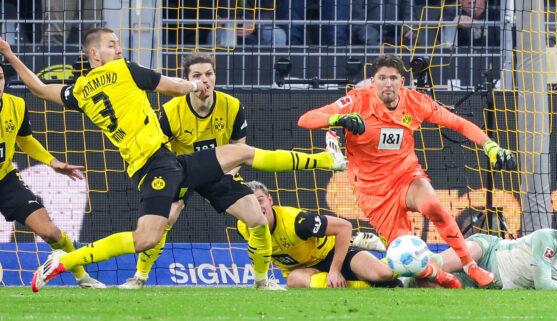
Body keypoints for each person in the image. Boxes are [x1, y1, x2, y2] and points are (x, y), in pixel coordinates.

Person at [0, 27, 346, 292]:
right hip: (155, 166)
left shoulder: (78, 89)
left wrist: (13, 57)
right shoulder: (122, 69)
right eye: (111, 44)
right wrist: (195, 87)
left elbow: (40, 90)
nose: (118, 49)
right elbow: (175, 87)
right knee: (145, 238)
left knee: (243, 159)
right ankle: (67, 261)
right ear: (94, 53)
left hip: (166, 162)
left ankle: (326, 161)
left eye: (118, 45)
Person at [298, 54, 516, 289]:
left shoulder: (416, 102)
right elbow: (306, 119)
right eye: (382, 78)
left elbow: (458, 123)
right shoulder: (356, 101)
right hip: (373, 193)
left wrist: (488, 145)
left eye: (393, 78)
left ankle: (470, 266)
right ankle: (438, 274)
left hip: (405, 176)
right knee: (407, 260)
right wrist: (338, 118)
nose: (387, 83)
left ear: (402, 82)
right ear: (373, 81)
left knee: (433, 206)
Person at [118, 52, 302, 290]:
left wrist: (229, 174)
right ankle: (139, 277)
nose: (204, 80)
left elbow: (240, 148)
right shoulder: (170, 110)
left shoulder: (232, 106)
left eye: (209, 74)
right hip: (181, 169)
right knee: (165, 218)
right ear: (187, 80)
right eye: (197, 75)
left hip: (219, 170)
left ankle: (262, 281)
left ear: (215, 77)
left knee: (257, 218)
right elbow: (157, 150)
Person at [0, 64, 105, 289]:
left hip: (5, 180)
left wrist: (52, 162)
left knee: (51, 232)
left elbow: (25, 139)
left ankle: (81, 276)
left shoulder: (16, 105)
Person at [236, 181, 400, 288]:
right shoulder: (244, 227)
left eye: (260, 200)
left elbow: (344, 227)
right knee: (293, 280)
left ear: (270, 200)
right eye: (249, 204)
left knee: (383, 274)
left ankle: (408, 262)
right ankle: (370, 285)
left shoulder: (296, 222)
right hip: (306, 270)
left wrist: (335, 270)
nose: (257, 207)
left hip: (334, 254)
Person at [423, 210, 557, 290]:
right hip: (488, 252)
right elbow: (543, 284)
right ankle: (403, 264)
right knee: (437, 265)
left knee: (429, 283)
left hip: (490, 285)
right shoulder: (547, 239)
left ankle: (403, 278)